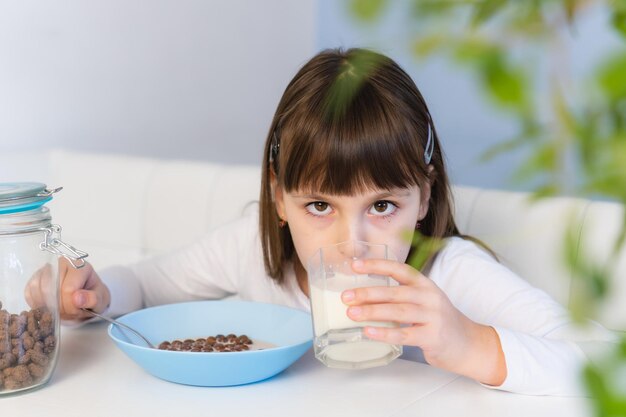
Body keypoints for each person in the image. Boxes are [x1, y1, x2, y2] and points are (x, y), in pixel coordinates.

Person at [31, 48, 611, 395]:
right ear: (279, 199)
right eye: (319, 207)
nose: (351, 243)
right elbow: (150, 286)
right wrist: (96, 293)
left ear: (425, 198)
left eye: (382, 206)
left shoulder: (448, 274)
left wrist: (469, 343)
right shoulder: (251, 251)